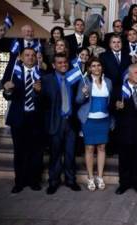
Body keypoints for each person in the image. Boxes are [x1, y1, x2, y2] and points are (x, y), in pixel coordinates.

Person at [1, 48, 43, 193]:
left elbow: (47, 100)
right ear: (21, 57)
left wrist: (38, 93)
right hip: (19, 119)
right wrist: (7, 90)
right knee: (19, 152)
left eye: (33, 55)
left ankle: (34, 181)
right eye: (27, 55)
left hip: (36, 119)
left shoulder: (41, 74)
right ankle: (19, 182)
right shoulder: (15, 73)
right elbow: (8, 96)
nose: (30, 57)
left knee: (36, 152)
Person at [40, 53, 82, 194]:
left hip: (71, 122)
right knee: (55, 154)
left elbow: (78, 100)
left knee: (70, 154)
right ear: (53, 65)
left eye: (65, 62)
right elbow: (41, 102)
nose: (63, 65)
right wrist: (37, 92)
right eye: (59, 63)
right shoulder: (46, 80)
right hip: (55, 123)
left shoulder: (74, 79)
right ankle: (54, 182)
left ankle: (71, 180)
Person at [76, 58, 112, 191]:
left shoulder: (108, 81)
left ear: (101, 67)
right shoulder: (84, 81)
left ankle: (100, 177)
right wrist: (84, 94)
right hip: (89, 120)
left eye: (98, 65)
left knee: (102, 147)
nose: (96, 68)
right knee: (90, 148)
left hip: (104, 120)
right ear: (89, 68)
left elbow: (110, 101)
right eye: (93, 66)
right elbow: (78, 100)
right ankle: (90, 178)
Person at [114, 64, 137, 195]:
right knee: (124, 159)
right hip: (124, 131)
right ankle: (124, 184)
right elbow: (111, 108)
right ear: (128, 75)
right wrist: (117, 106)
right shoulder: (120, 90)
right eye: (135, 72)